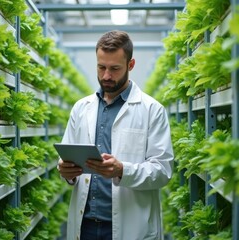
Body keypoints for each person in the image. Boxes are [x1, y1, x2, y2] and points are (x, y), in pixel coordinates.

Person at [57, 30, 174, 240]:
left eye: (114, 69)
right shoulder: (81, 108)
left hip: (130, 225)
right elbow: (68, 156)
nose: (106, 76)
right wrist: (66, 172)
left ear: (131, 65)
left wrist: (122, 170)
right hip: (85, 226)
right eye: (101, 67)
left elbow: (162, 170)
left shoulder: (152, 110)